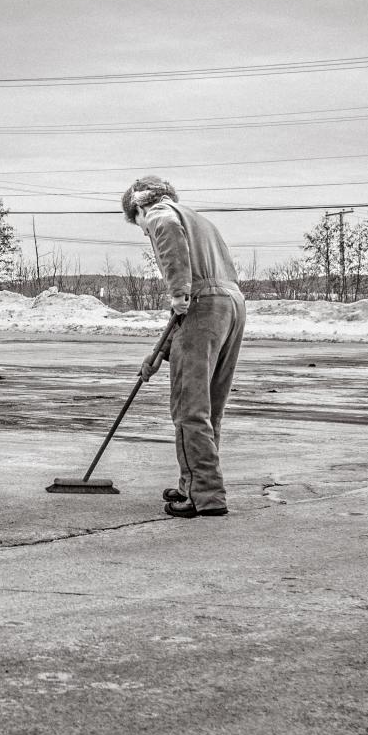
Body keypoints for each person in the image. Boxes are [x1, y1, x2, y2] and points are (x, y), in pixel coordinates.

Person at [123, 176, 246, 518]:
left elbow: (188, 297)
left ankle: (204, 496)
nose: (146, 232)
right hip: (230, 305)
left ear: (138, 207)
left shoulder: (159, 213)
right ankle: (193, 483)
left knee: (189, 408)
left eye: (139, 227)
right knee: (208, 406)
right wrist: (158, 355)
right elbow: (187, 316)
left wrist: (178, 291)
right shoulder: (199, 220)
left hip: (205, 305)